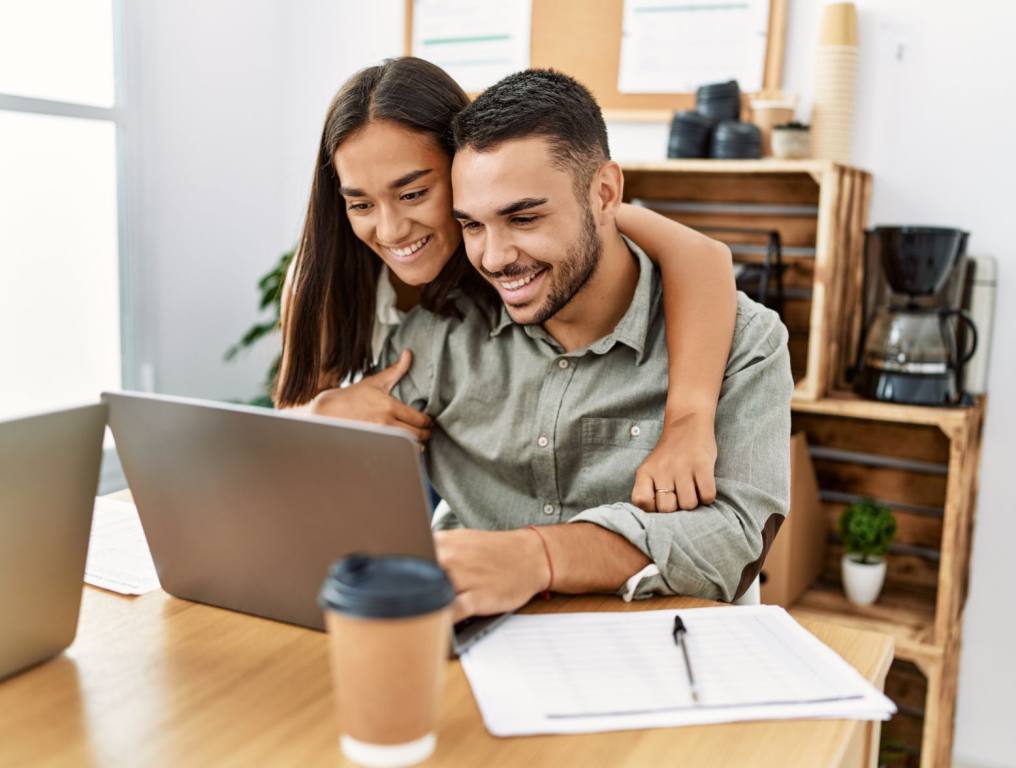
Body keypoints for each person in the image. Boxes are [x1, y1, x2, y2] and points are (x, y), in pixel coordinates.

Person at [377, 69, 794, 621]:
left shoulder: (745, 342)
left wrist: (538, 556)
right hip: (483, 656)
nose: (495, 257)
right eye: (472, 226)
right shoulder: (438, 334)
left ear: (605, 192)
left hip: (666, 658)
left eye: (523, 217)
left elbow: (735, 543)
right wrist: (327, 424)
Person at [275, 57, 736, 512]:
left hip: (489, 446)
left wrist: (688, 420)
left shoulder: (529, 228)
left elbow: (703, 257)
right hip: (399, 454)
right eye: (361, 204)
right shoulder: (322, 281)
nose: (392, 230)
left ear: (462, 166)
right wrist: (322, 416)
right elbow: (283, 437)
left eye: (414, 193)